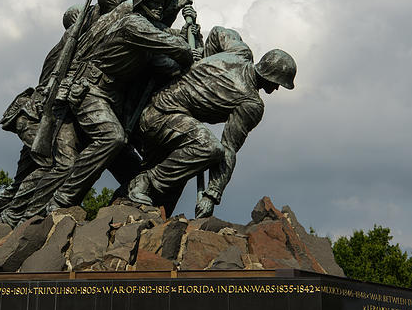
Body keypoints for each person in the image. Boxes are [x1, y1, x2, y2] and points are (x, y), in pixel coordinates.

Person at [0, 0, 164, 245]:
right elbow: (48, 88)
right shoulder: (67, 48)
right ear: (79, 23)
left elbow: (111, 1)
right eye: (88, 17)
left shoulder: (88, 40)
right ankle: (7, 225)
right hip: (40, 116)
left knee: (33, 175)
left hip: (58, 114)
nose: (96, 18)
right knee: (50, 168)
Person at [39, 0, 198, 215]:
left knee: (133, 169)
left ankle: (126, 206)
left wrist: (190, 35)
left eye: (162, 4)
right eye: (153, 2)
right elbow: (177, 49)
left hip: (113, 100)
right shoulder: (133, 24)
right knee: (112, 138)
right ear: (141, 4)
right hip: (90, 90)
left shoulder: (147, 36)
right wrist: (185, 44)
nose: (159, 7)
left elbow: (172, 65)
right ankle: (62, 200)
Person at [127, 26, 296, 217]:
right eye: (279, 83)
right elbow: (228, 148)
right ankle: (146, 181)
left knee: (175, 183)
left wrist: (203, 62)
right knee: (209, 148)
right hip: (161, 118)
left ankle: (137, 206)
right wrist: (212, 195)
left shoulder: (240, 52)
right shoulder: (251, 104)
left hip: (159, 109)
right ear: (271, 78)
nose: (277, 89)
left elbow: (217, 32)